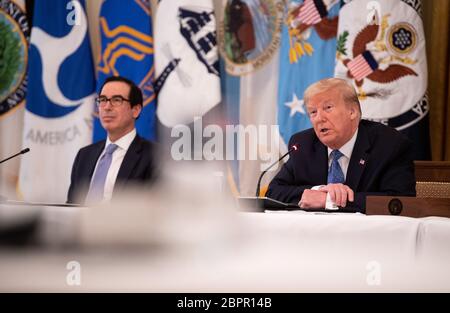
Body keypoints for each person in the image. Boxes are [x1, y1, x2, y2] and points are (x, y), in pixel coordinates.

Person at [266, 78, 416, 212]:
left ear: (352, 112)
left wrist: (328, 200)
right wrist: (318, 191)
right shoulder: (302, 144)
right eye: (313, 112)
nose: (319, 119)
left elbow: (399, 200)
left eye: (328, 108)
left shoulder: (389, 144)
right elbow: (273, 192)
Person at [67, 76, 157, 205]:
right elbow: (71, 205)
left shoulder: (155, 156)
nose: (107, 107)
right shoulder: (84, 156)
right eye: (102, 100)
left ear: (135, 110)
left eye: (116, 100)